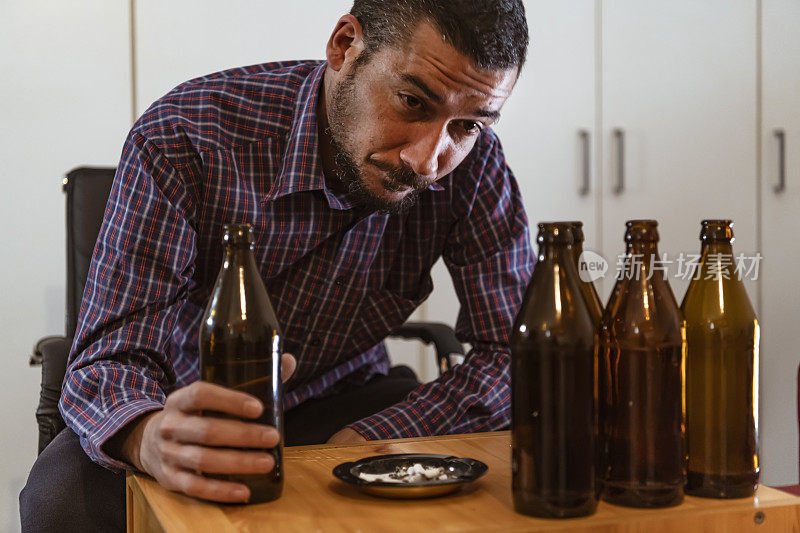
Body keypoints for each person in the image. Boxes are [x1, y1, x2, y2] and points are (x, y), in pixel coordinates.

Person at [20, 0, 532, 530]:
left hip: (348, 401)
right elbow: (111, 356)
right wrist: (147, 435)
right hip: (189, 405)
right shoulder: (186, 135)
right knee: (61, 502)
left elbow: (518, 352)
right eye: (411, 102)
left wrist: (380, 432)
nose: (428, 161)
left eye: (467, 126)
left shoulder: (475, 169)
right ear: (344, 47)